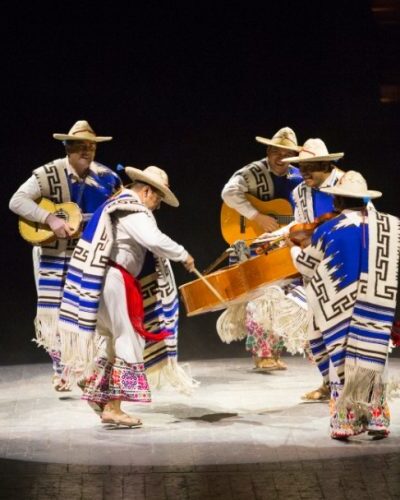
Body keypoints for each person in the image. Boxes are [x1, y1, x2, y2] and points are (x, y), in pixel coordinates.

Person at [57, 166, 195, 427]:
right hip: (113, 280)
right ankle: (114, 407)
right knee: (128, 339)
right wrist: (182, 254)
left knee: (111, 341)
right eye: (157, 199)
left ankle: (99, 395)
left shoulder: (116, 204)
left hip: (99, 278)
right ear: (146, 191)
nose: (156, 207)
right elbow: (153, 239)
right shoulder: (133, 209)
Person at [9, 120, 122, 390]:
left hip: (89, 254)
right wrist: (50, 219)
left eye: (91, 146)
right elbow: (17, 201)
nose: (87, 151)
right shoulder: (47, 174)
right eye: (80, 146)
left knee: (88, 308)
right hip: (53, 254)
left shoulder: (108, 178)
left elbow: (119, 209)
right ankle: (62, 368)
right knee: (57, 310)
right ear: (67, 148)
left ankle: (86, 365)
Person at [288, 171, 400, 439]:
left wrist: (293, 250)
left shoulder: (327, 229)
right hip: (378, 301)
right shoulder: (392, 226)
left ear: (337, 201)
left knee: (342, 360)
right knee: (374, 360)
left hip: (339, 308)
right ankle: (377, 419)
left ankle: (346, 422)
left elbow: (306, 267)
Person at [220, 127, 303, 370]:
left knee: (280, 298)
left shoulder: (298, 177)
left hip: (283, 245)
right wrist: (257, 216)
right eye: (276, 151)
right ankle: (262, 354)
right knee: (259, 297)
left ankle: (274, 353)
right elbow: (228, 192)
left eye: (286, 152)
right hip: (255, 243)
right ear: (267, 151)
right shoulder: (252, 172)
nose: (280, 156)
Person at [281, 138, 345, 400]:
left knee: (341, 331)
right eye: (301, 166)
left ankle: (349, 387)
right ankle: (329, 384)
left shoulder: (345, 185)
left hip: (343, 265)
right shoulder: (299, 192)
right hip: (314, 265)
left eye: (312, 166)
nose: (305, 172)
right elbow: (300, 224)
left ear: (326, 164)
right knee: (316, 333)